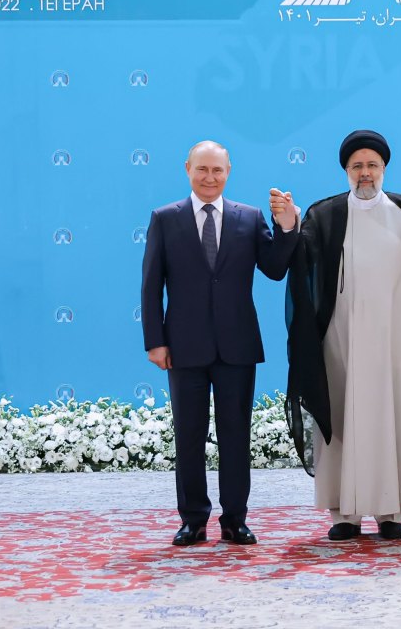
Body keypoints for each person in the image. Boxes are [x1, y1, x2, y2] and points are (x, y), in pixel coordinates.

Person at [285, 130, 401, 541]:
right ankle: (343, 515)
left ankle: (391, 511)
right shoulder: (326, 215)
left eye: (372, 165)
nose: (365, 173)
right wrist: (289, 225)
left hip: (393, 340)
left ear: (384, 169)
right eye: (357, 166)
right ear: (346, 171)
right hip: (341, 342)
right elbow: (301, 260)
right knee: (341, 419)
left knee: (393, 418)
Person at [141, 140, 299, 546]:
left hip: (237, 346)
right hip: (183, 347)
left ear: (228, 171)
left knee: (235, 435)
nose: (210, 178)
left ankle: (235, 519)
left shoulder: (250, 217)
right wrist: (155, 341)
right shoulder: (165, 218)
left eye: (217, 170)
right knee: (188, 436)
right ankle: (193, 520)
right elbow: (150, 285)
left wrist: (286, 227)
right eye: (202, 170)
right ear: (187, 169)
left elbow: (275, 269)